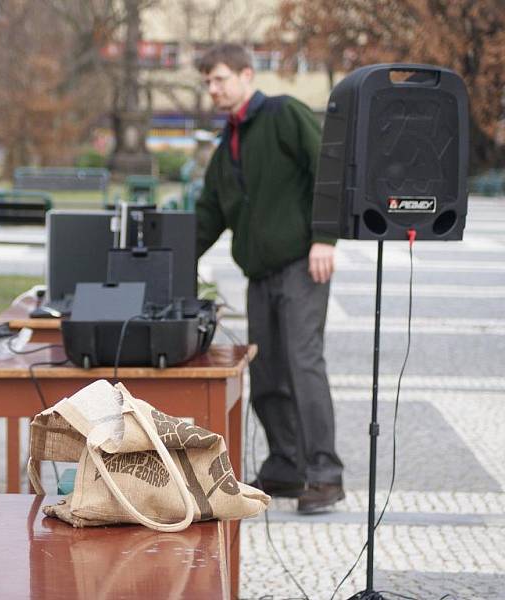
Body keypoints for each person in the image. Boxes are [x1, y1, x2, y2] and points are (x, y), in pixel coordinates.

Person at [195, 44, 344, 513]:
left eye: (219, 79)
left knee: (303, 366)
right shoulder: (227, 144)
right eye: (207, 83)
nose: (212, 89)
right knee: (266, 374)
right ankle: (286, 465)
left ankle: (325, 474)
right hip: (259, 276)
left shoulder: (283, 113)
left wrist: (326, 238)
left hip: (303, 264)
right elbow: (209, 214)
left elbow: (329, 168)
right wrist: (166, 260)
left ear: (245, 74)